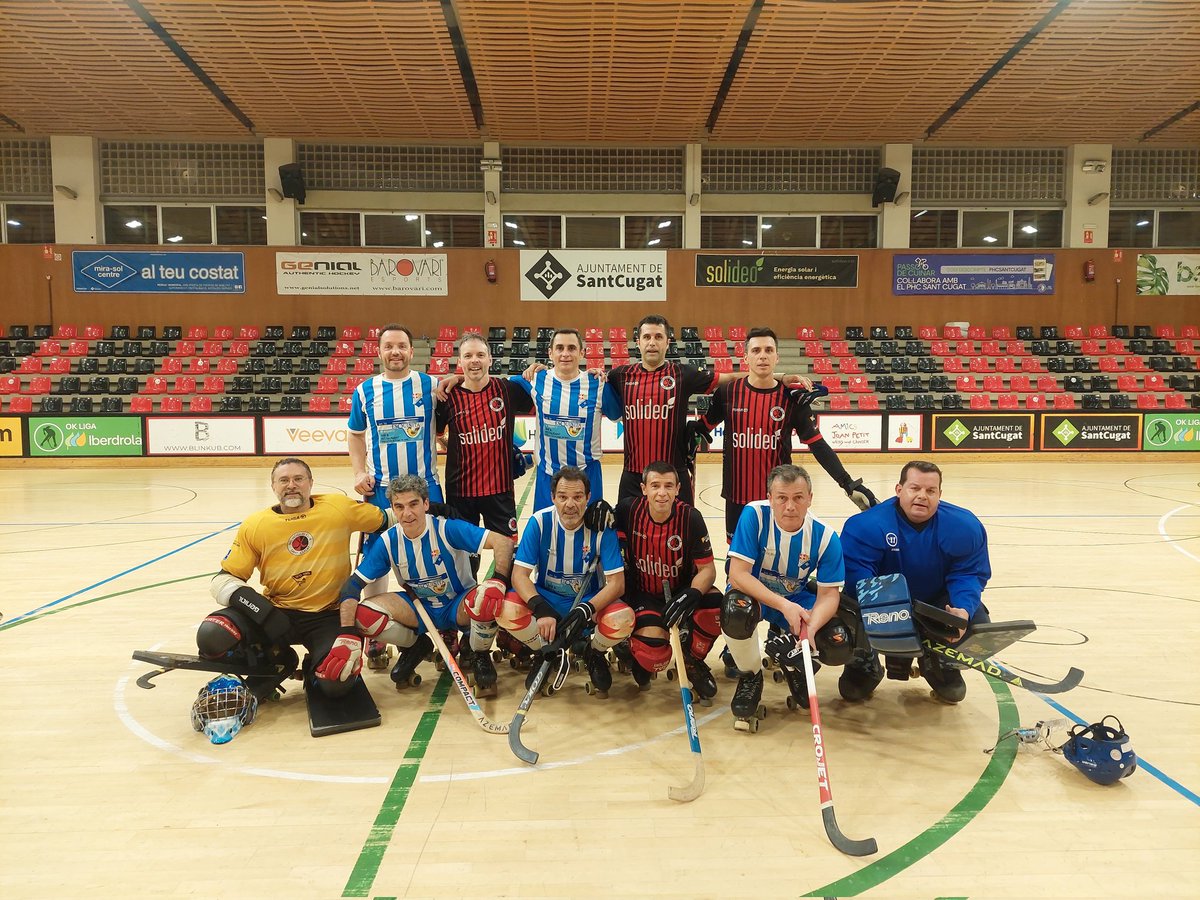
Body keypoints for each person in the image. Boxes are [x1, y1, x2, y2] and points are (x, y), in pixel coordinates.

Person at [196, 458, 390, 704]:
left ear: (311, 483)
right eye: (284, 480)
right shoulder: (256, 524)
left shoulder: (338, 508)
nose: (292, 485)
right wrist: (264, 613)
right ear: (273, 486)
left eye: (298, 479)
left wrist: (438, 512)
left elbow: (391, 519)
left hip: (328, 615)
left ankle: (312, 667)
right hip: (276, 614)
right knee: (212, 634)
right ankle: (278, 661)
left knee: (336, 682)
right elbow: (222, 581)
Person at [335, 474, 515, 697]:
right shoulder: (389, 540)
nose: (407, 513)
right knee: (363, 615)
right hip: (419, 607)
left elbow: (503, 542)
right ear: (392, 508)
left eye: (413, 504)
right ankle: (417, 645)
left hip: (457, 604)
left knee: (487, 596)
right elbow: (352, 586)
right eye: (399, 507)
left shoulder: (447, 528)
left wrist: (497, 580)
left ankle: (479, 653)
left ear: (426, 504)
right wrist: (348, 633)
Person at [695, 326, 876, 543]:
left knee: (777, 561)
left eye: (769, 350)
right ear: (746, 357)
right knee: (737, 562)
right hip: (737, 498)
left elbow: (818, 444)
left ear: (777, 357)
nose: (762, 355)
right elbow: (702, 427)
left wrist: (847, 483)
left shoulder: (792, 399)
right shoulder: (726, 393)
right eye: (756, 350)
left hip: (780, 499)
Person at [837, 460, 991, 704]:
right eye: (914, 488)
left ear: (940, 494)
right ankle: (864, 663)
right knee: (844, 614)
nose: (922, 496)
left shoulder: (965, 527)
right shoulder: (865, 526)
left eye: (930, 491)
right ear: (899, 490)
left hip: (934, 603)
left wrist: (962, 609)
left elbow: (968, 574)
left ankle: (939, 661)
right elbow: (858, 580)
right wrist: (895, 612)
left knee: (976, 621)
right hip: (881, 603)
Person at [722, 464, 855, 729]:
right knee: (736, 612)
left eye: (798, 497)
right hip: (755, 595)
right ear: (770, 498)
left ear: (810, 499)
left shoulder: (825, 536)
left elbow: (829, 595)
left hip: (796, 598)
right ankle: (750, 676)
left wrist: (810, 630)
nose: (790, 506)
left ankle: (794, 664)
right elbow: (738, 575)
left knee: (837, 642)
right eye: (782, 497)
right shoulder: (754, 516)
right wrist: (784, 606)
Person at [496, 466, 632, 697]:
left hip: (588, 601)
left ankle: (594, 652)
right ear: (553, 498)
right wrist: (540, 608)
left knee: (623, 618)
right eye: (563, 497)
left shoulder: (601, 528)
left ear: (588, 497)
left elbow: (617, 584)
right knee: (504, 609)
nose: (570, 504)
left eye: (578, 497)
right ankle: (546, 651)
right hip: (548, 598)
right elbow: (519, 575)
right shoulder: (539, 522)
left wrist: (587, 608)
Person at [613, 461, 722, 699]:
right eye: (655, 486)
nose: (661, 493)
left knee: (717, 609)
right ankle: (629, 647)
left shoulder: (691, 517)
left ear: (678, 488)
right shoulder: (627, 510)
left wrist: (691, 594)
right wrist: (596, 508)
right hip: (644, 594)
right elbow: (600, 529)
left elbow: (707, 571)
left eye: (668, 486)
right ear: (643, 488)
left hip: (681, 590)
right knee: (651, 659)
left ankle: (690, 658)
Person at [602, 315, 719, 505]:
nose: (652, 342)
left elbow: (728, 380)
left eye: (658, 337)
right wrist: (538, 370)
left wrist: (777, 377)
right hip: (633, 476)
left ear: (667, 342)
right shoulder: (619, 376)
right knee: (627, 533)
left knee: (682, 531)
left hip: (674, 476)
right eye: (647, 337)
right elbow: (582, 382)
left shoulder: (683, 374)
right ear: (638, 342)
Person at [435, 331, 534, 546]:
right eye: (468, 356)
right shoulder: (447, 397)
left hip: (500, 492)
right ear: (459, 361)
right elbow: (438, 435)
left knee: (506, 551)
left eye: (480, 355)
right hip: (460, 493)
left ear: (490, 359)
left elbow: (546, 395)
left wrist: (540, 369)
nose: (474, 361)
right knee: (464, 557)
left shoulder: (508, 390)